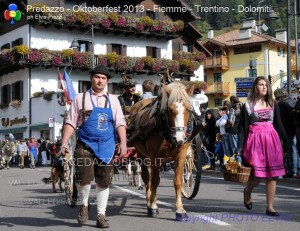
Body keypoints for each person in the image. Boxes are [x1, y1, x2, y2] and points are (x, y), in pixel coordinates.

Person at [61, 65, 127, 228]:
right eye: (97, 77)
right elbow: (71, 122)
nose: (100, 80)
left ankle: (101, 214)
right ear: (91, 78)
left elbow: (120, 122)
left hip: (106, 145)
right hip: (85, 145)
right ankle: (84, 206)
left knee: (104, 181)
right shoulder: (80, 98)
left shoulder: (113, 100)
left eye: (104, 78)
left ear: (107, 81)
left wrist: (124, 143)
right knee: (84, 178)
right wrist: (63, 142)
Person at [236, 76, 290, 216]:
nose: (264, 87)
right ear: (255, 87)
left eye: (266, 84)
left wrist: (286, 144)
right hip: (255, 141)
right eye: (261, 84)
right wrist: (239, 148)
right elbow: (243, 128)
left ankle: (270, 207)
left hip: (271, 140)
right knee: (257, 176)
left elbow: (279, 124)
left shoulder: (273, 104)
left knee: (273, 176)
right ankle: (247, 191)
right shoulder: (248, 105)